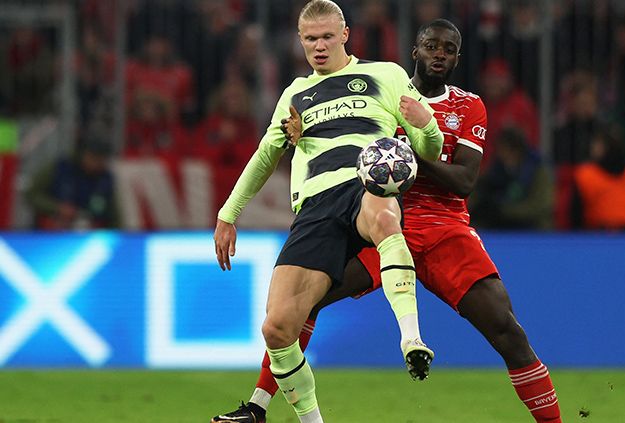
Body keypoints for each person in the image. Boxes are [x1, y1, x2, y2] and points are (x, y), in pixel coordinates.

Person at [212, 18, 562, 423]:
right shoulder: (385, 92)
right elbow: (343, 145)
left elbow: (465, 181)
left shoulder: (468, 105)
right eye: (431, 47)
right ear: (415, 51)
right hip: (385, 221)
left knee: (507, 331)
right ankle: (258, 405)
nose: (439, 55)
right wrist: (299, 134)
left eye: (447, 50)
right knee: (304, 302)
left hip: (444, 228)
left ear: (456, 58)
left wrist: (409, 157)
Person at [211, 1, 444, 422]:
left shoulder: (385, 75)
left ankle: (411, 338)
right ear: (300, 41)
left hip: (365, 184)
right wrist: (229, 214)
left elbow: (430, 150)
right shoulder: (295, 94)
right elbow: (266, 155)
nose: (319, 47)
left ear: (345, 35)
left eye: (326, 37)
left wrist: (426, 125)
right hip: (315, 206)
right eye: (310, 39)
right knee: (277, 328)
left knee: (385, 216)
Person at [25, 137, 118, 230]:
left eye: (101, 160)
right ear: (83, 154)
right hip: (52, 231)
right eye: (93, 158)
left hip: (90, 235)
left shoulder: (105, 179)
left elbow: (114, 214)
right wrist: (57, 208)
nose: (96, 164)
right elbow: (31, 195)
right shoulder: (61, 168)